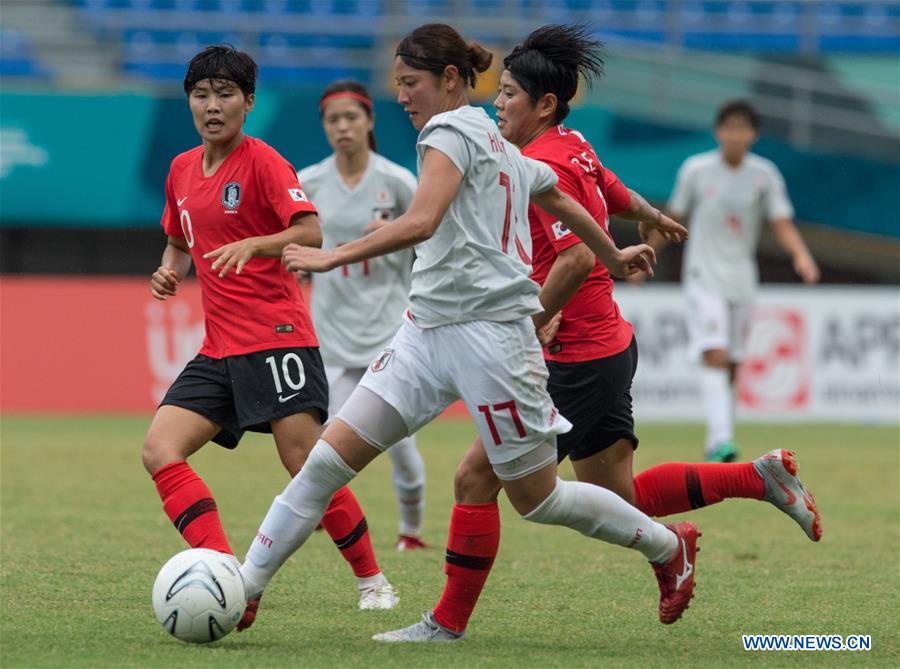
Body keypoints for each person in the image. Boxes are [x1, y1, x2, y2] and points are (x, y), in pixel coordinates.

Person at [237, 22, 701, 638]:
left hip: (493, 342)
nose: (401, 96)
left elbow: (424, 220)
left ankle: (668, 547)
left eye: (411, 83)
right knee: (325, 463)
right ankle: (243, 589)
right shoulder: (493, 134)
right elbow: (561, 198)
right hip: (424, 335)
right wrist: (613, 256)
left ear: (450, 80)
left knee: (539, 499)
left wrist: (331, 256)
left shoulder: (450, 131)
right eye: (397, 84)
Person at [374, 25, 823, 642]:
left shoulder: (538, 160)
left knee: (476, 480)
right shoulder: (575, 145)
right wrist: (652, 215)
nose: (496, 103)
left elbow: (575, 259)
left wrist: (528, 326)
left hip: (570, 355)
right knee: (621, 497)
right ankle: (756, 478)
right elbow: (611, 190)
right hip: (606, 346)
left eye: (507, 94)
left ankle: (446, 624)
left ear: (545, 105)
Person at [141, 46, 398, 630]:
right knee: (159, 449)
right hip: (219, 347)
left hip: (278, 337)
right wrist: (169, 270)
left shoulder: (263, 163)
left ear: (248, 103)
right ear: (190, 102)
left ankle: (372, 580)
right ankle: (226, 573)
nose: (213, 106)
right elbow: (179, 239)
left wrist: (254, 244)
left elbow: (308, 228)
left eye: (226, 94)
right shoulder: (181, 169)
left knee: (307, 463)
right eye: (202, 95)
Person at [299, 80, 428, 551]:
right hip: (331, 335)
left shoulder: (396, 181)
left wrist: (395, 230)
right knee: (325, 444)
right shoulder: (308, 181)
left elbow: (431, 239)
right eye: (333, 120)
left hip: (387, 333)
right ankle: (320, 515)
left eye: (351, 117)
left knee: (401, 445)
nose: (343, 127)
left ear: (369, 121)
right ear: (325, 128)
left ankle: (411, 535)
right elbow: (290, 243)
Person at [661, 100, 821, 462]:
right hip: (703, 275)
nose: (735, 134)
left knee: (732, 361)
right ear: (718, 132)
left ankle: (719, 434)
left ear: (754, 134)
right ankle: (721, 439)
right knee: (714, 353)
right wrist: (647, 251)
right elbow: (674, 215)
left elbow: (781, 221)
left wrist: (801, 255)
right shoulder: (697, 170)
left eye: (742, 127)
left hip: (741, 279)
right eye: (728, 127)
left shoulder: (764, 175)